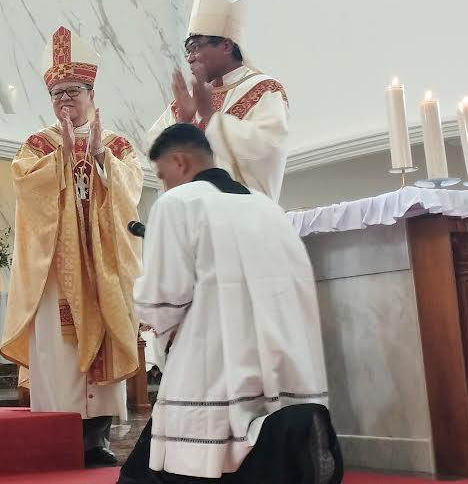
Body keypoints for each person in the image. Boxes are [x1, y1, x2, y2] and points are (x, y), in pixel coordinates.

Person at [119, 123, 340, 484]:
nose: (164, 184)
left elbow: (163, 297)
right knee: (267, 448)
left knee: (201, 461)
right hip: (284, 361)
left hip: (214, 362)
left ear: (180, 161)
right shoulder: (268, 208)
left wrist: (147, 309)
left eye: (162, 175)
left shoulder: (177, 203)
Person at [1, 27, 145, 467]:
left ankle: (97, 439)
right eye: (57, 93)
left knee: (101, 350)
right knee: (59, 354)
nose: (64, 99)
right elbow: (25, 188)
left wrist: (99, 157)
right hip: (56, 272)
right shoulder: (37, 145)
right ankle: (59, 439)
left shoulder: (116, 143)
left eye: (73, 91)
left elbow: (131, 189)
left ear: (91, 93)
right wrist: (60, 157)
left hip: (102, 266)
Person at [147, 0, 289, 202]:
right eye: (187, 51)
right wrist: (183, 123)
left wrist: (211, 118)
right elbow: (153, 150)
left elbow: (267, 145)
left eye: (196, 47)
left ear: (226, 45)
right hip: (194, 214)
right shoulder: (189, 99)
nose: (190, 58)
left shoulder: (264, 89)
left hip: (245, 211)